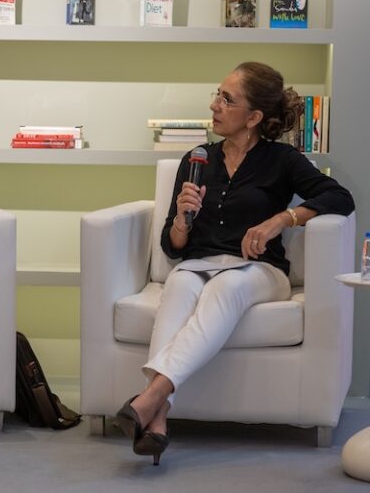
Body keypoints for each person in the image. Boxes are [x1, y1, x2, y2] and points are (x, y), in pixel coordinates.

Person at [115, 62, 354, 465]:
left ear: (254, 117)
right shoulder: (197, 159)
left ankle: (152, 396)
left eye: (227, 99)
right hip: (198, 263)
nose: (215, 105)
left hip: (259, 270)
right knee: (179, 285)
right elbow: (173, 247)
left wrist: (283, 219)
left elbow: (340, 197)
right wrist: (181, 220)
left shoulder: (282, 160)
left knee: (224, 288)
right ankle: (157, 421)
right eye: (217, 95)